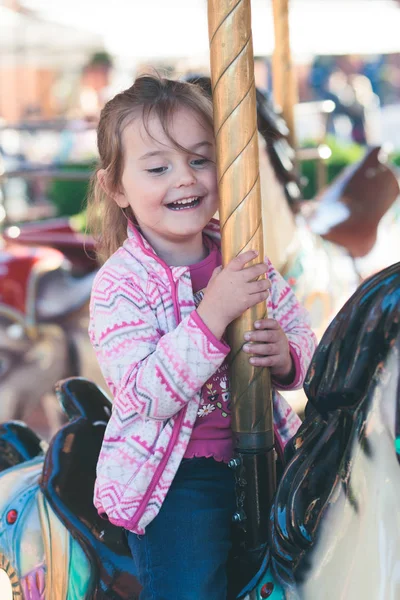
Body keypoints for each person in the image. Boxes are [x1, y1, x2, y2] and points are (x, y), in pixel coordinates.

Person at [87, 75, 317, 600]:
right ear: (116, 187)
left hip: (270, 453)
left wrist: (286, 356)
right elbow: (144, 394)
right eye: (157, 167)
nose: (184, 180)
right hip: (174, 482)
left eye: (199, 159)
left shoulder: (243, 254)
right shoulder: (121, 285)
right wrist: (211, 314)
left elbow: (302, 334)